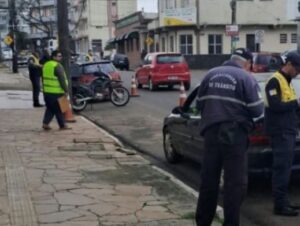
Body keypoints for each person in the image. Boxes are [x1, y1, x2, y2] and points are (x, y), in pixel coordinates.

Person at [195, 48, 264, 226]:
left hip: (211, 134)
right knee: (235, 184)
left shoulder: (210, 74)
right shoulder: (246, 78)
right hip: (235, 136)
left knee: (208, 181)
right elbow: (257, 110)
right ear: (247, 63)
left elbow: (199, 104)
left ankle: (203, 222)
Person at [264, 50, 300, 217]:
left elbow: (293, 109)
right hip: (280, 133)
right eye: (297, 68)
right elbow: (276, 106)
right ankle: (279, 206)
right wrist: (295, 103)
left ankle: (284, 201)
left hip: (289, 132)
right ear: (289, 65)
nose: (298, 72)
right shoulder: (274, 81)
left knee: (286, 169)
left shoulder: (288, 81)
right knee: (281, 169)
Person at [42, 50, 70, 130]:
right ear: (54, 57)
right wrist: (66, 90)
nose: (60, 57)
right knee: (59, 109)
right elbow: (62, 80)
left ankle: (45, 123)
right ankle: (62, 125)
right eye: (59, 56)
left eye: (61, 56)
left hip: (47, 92)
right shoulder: (57, 66)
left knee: (50, 108)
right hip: (56, 92)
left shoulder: (46, 65)